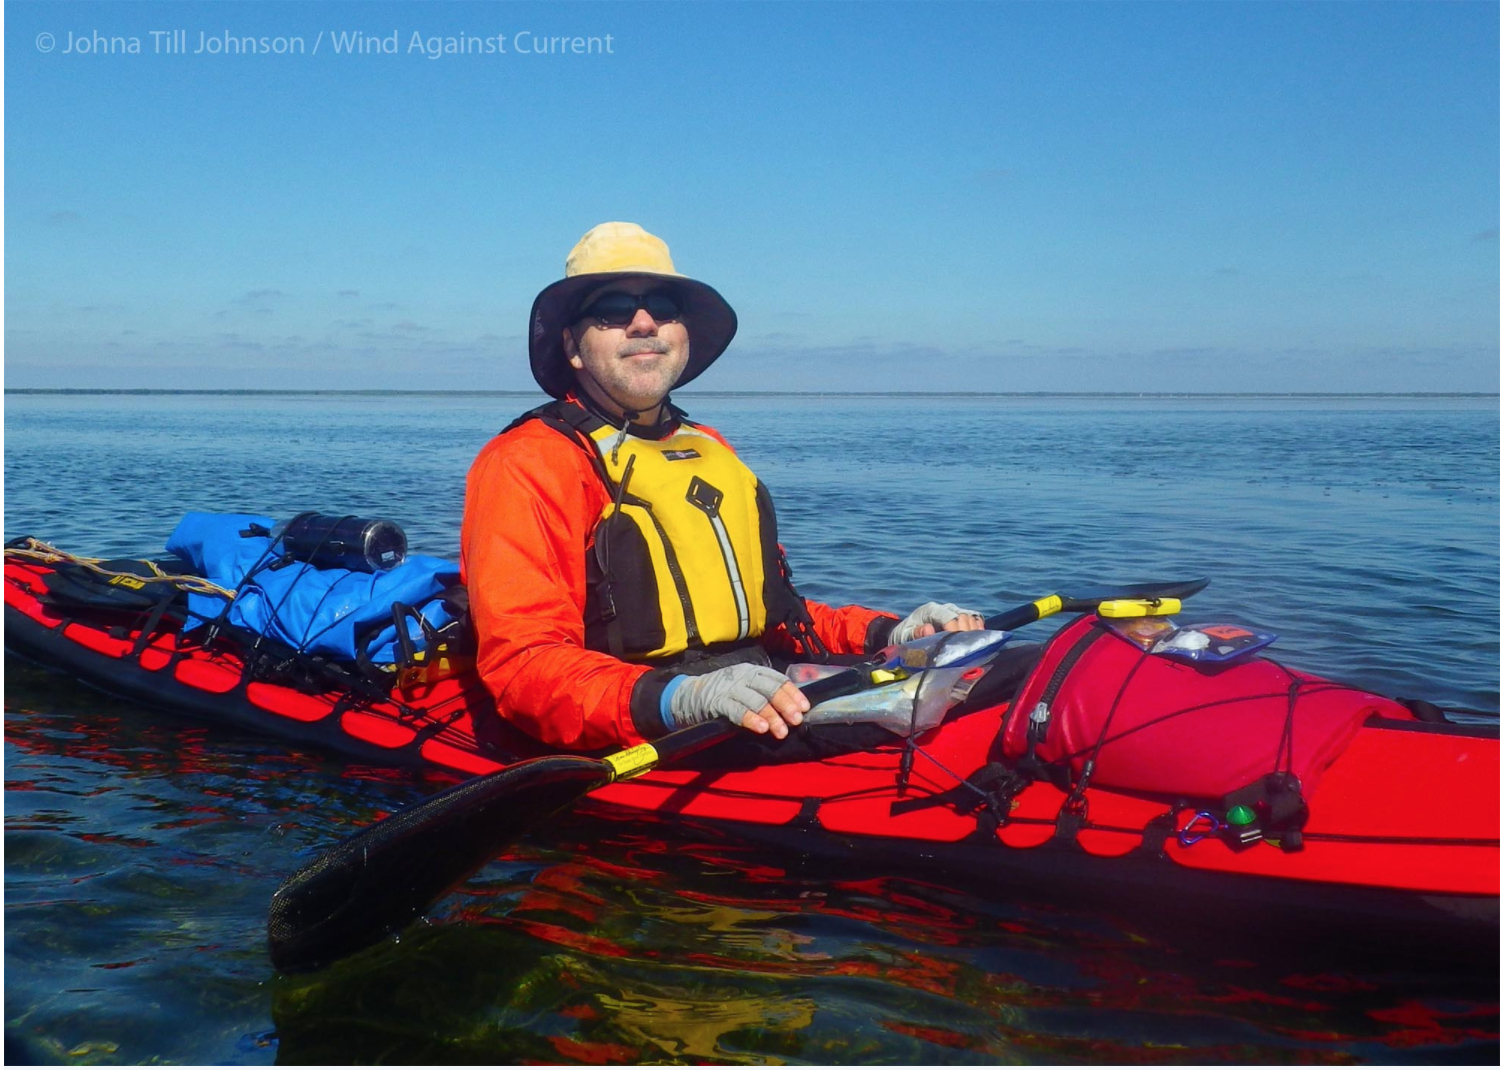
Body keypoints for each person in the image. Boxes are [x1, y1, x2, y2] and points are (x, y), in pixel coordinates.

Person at [461, 222, 984, 753]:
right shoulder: (525, 462)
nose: (643, 323)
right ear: (573, 346)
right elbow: (525, 666)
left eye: (663, 306)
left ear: (683, 334)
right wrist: (679, 699)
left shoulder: (711, 446)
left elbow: (782, 617)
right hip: (639, 720)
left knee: (1002, 670)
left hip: (754, 689)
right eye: (612, 309)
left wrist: (890, 636)